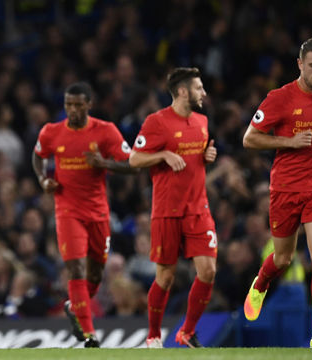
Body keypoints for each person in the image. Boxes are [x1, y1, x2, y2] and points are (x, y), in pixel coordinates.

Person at [241, 38, 312, 348]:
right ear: (300, 64)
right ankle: (261, 282)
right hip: (285, 188)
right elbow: (249, 139)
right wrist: (288, 142)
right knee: (283, 258)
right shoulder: (279, 98)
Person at [32, 82, 136, 348]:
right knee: (75, 268)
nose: (73, 110)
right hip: (67, 211)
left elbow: (132, 164)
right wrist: (44, 180)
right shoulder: (52, 132)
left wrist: (104, 163)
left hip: (98, 213)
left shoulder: (105, 131)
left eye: (78, 105)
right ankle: (90, 334)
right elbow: (37, 156)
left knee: (95, 275)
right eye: (69, 105)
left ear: (89, 104)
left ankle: (73, 306)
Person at [129, 67, 218, 349]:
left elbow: (196, 158)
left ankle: (187, 332)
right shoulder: (157, 122)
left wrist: (207, 156)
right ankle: (154, 335)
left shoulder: (202, 121)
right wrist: (163, 154)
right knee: (165, 277)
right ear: (182, 91)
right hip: (167, 210)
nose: (204, 93)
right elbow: (134, 159)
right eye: (199, 88)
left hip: (198, 209)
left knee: (208, 271)